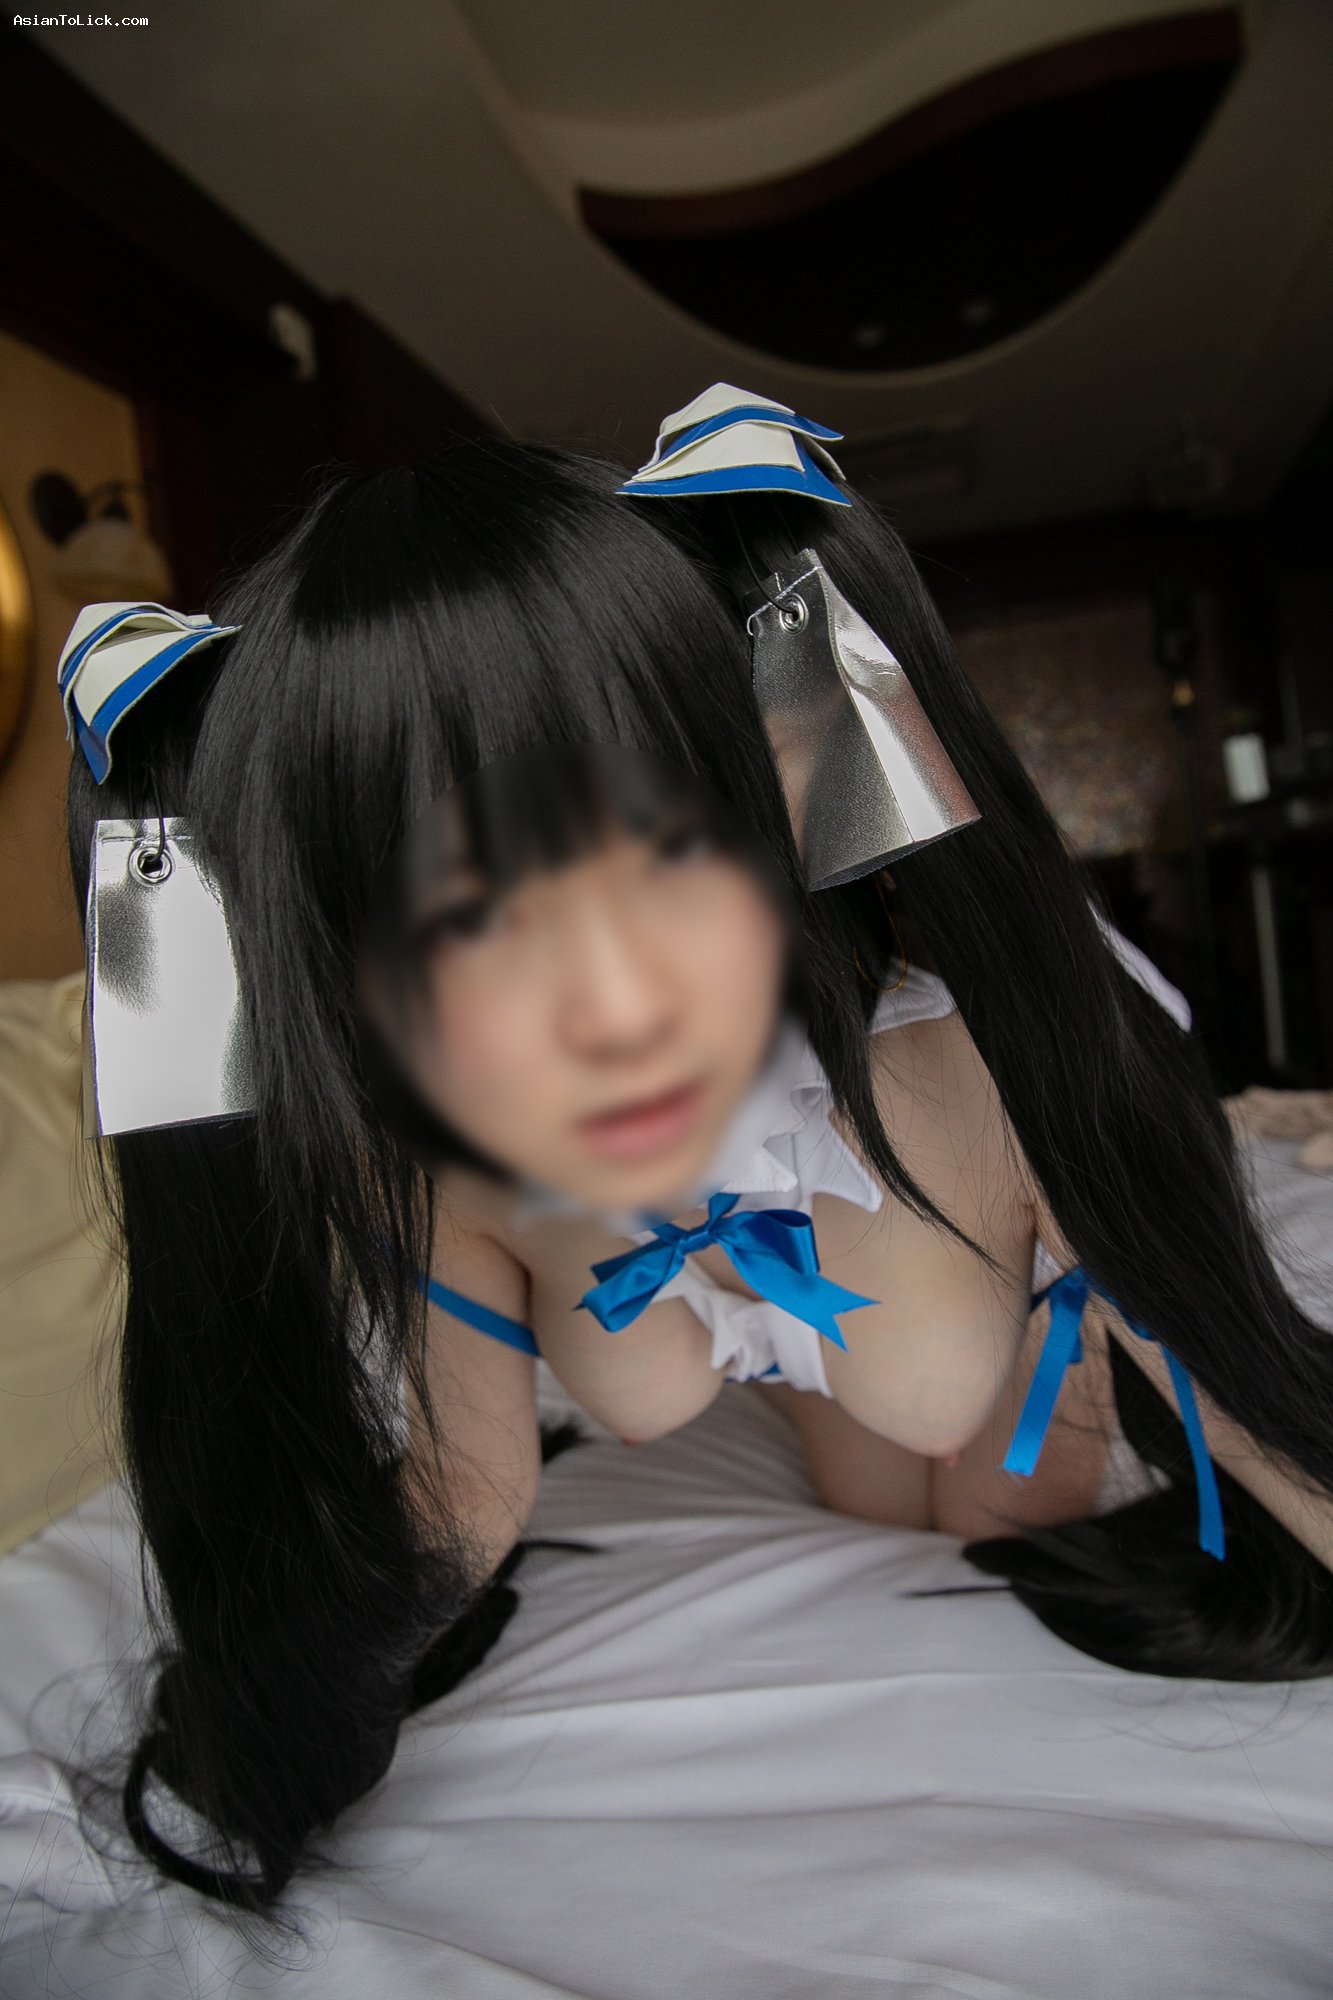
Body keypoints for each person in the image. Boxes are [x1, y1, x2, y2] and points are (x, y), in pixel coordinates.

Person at [60, 395, 1333, 1917]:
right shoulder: (443, 1168)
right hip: (811, 1305)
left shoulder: (980, 1066)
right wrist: (274, 1713)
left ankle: (1036, 1337)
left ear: (779, 803)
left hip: (960, 1187)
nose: (607, 1006)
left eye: (663, 851)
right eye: (455, 921)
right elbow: (465, 1488)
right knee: (881, 1478)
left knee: (979, 1486)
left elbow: (1237, 1379)